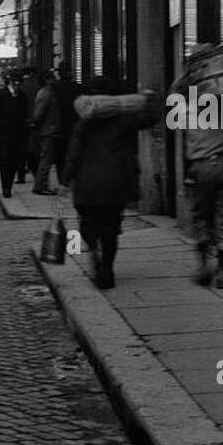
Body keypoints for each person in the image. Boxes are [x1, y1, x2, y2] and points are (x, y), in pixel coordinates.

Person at [61, 79, 162, 288]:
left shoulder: (83, 125)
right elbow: (150, 118)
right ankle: (107, 267)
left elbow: (74, 155)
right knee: (111, 228)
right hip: (115, 184)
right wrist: (151, 97)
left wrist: (65, 180)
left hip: (88, 186)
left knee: (88, 224)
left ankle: (94, 253)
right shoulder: (123, 122)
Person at [173, 47, 223, 289]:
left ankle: (203, 264)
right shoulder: (222, 104)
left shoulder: (185, 109)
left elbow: (173, 92)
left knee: (202, 216)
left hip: (201, 166)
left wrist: (189, 71)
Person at [0, 68, 30, 198]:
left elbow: (25, 115)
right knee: (4, 161)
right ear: (10, 82)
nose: (17, 85)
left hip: (18, 135)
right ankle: (6, 187)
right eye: (14, 82)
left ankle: (9, 184)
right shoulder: (1, 95)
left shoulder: (22, 96)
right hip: (3, 135)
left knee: (14, 162)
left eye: (19, 83)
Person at [31, 70, 61, 195]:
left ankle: (42, 184)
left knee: (45, 158)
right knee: (46, 159)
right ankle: (40, 185)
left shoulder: (43, 92)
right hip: (47, 130)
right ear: (48, 80)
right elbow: (39, 113)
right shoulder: (47, 93)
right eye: (53, 78)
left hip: (46, 129)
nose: (55, 80)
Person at [50, 61, 83, 178]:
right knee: (73, 151)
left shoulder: (54, 87)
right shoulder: (77, 87)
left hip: (59, 123)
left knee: (60, 154)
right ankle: (72, 175)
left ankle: (61, 177)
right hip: (74, 123)